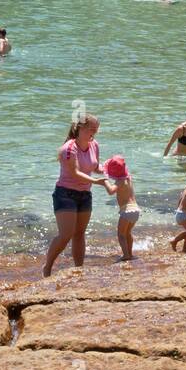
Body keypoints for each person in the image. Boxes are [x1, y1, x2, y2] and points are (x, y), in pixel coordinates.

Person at [43, 114, 108, 276]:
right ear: (79, 128)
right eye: (91, 129)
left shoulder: (94, 145)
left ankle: (79, 270)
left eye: (96, 130)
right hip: (65, 194)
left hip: (85, 194)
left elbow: (95, 167)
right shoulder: (69, 148)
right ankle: (47, 267)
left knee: (79, 234)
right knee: (66, 235)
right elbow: (74, 173)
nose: (94, 132)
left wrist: (110, 167)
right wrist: (96, 182)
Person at [102, 155, 139, 261]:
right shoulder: (128, 178)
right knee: (128, 233)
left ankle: (126, 254)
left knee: (121, 234)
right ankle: (130, 254)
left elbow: (111, 191)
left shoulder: (119, 182)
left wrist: (105, 181)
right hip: (136, 209)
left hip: (126, 210)